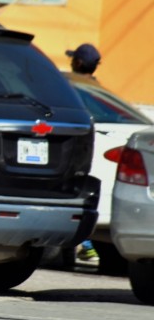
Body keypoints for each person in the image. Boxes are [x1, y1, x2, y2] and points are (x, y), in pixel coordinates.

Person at [66, 42, 102, 263]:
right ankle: (86, 245)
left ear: (77, 62)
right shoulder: (98, 89)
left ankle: (83, 244)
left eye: (72, 59)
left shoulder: (69, 86)